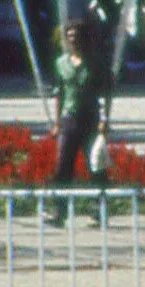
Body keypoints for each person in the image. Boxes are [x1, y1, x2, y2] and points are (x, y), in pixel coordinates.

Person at [49, 16, 110, 189]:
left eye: (76, 36)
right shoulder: (61, 64)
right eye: (69, 36)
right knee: (63, 167)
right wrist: (57, 123)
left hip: (91, 119)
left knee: (96, 165)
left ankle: (100, 207)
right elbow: (59, 94)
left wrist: (105, 120)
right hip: (69, 119)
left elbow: (105, 93)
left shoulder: (95, 63)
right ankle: (59, 210)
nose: (73, 40)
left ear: (84, 38)